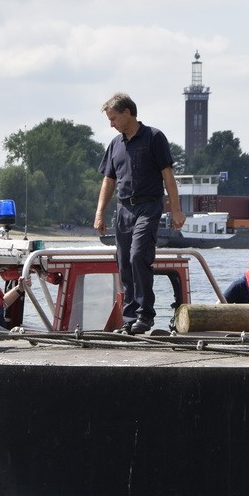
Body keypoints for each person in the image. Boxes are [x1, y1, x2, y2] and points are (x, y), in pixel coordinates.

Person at [94, 92, 186, 334]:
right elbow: (108, 181)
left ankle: (145, 315)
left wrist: (176, 210)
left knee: (138, 255)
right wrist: (99, 213)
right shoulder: (115, 144)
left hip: (148, 206)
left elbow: (168, 176)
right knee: (124, 263)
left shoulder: (154, 137)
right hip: (123, 209)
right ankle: (130, 318)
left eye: (113, 118)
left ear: (127, 113)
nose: (111, 124)